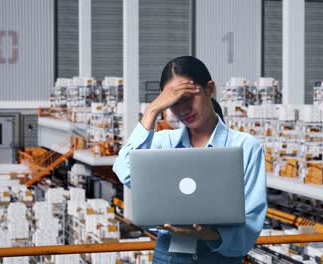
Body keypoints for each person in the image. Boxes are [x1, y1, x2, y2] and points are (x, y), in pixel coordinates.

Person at [113, 56, 266, 263]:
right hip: (167, 257)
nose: (182, 110)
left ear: (209, 89)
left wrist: (207, 233)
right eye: (173, 103)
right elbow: (124, 169)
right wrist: (152, 110)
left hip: (219, 258)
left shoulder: (246, 147)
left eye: (187, 98)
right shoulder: (163, 143)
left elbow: (250, 229)